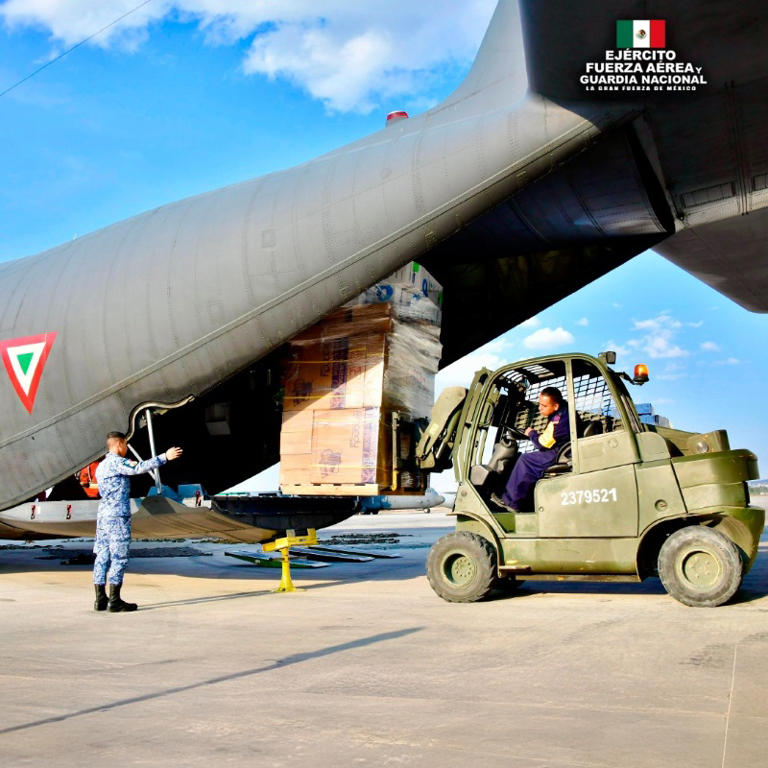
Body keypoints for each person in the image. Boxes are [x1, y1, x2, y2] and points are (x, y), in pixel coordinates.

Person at [93, 431, 182, 612]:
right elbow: (138, 468)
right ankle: (115, 601)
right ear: (119, 444)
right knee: (119, 557)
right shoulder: (117, 462)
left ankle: (100, 600)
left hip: (103, 516)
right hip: (117, 516)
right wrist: (165, 457)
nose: (126, 449)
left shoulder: (100, 466)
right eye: (125, 445)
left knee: (102, 556)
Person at [492, 387, 569, 512]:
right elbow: (550, 437)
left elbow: (542, 444)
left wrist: (531, 433)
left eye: (544, 406)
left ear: (555, 406)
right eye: (539, 404)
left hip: (559, 452)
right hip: (561, 449)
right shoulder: (563, 412)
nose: (540, 408)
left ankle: (511, 503)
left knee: (525, 460)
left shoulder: (558, 419)